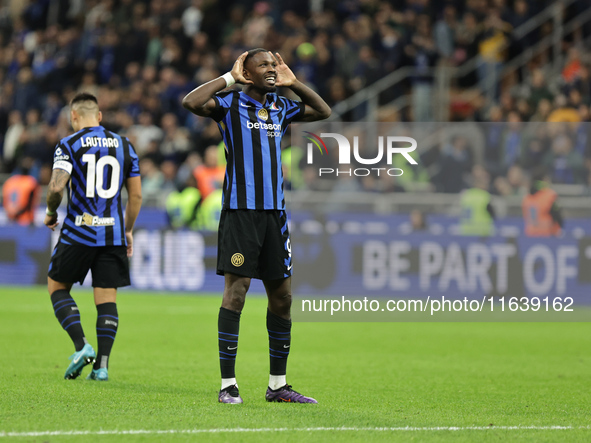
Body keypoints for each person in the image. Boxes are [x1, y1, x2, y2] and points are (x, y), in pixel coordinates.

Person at [182, 49, 331, 404]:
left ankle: (277, 385)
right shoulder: (231, 104)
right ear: (247, 72)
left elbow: (324, 111)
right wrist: (229, 78)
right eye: (263, 65)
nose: (271, 69)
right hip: (240, 213)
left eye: (273, 64)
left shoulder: (281, 106)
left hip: (275, 215)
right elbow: (191, 101)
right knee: (237, 292)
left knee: (283, 297)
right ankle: (227, 385)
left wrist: (294, 83)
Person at [44, 92, 142, 381]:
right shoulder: (125, 145)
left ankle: (81, 346)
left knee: (57, 287)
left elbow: (56, 187)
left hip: (78, 231)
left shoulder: (69, 143)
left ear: (73, 117)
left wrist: (51, 212)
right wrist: (127, 230)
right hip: (112, 234)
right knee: (106, 299)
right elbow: (135, 194)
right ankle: (102, 366)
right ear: (99, 116)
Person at [2, 157, 40, 226]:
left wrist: (12, 213)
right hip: (25, 220)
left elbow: (5, 199)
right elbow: (29, 202)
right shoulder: (31, 182)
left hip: (10, 219)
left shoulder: (10, 181)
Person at [522, 172, 562, 237]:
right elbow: (557, 215)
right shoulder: (550, 195)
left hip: (530, 235)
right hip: (547, 235)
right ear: (544, 180)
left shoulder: (526, 198)